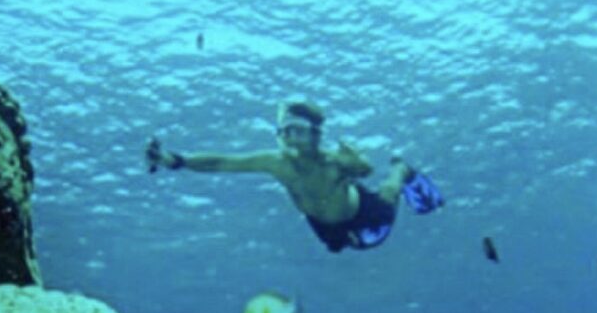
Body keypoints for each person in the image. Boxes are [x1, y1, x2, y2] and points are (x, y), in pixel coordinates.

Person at [146, 99, 444, 253]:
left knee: (386, 201)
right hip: (322, 224)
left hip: (363, 213)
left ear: (315, 136)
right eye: (284, 131)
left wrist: (356, 163)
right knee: (337, 249)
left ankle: (401, 168)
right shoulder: (276, 163)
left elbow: (365, 169)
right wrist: (176, 160)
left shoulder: (332, 162)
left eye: (298, 131)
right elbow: (223, 163)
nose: (290, 138)